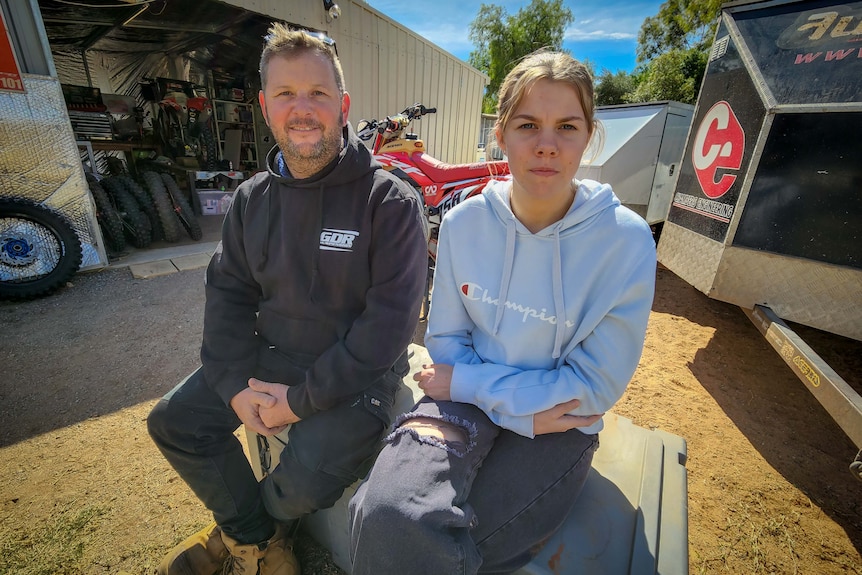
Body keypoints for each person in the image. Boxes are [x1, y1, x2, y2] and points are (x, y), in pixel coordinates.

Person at [348, 49, 657, 574]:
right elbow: (445, 339)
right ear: (501, 133)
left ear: (589, 136)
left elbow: (594, 388)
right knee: (383, 510)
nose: (546, 145)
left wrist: (475, 387)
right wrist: (509, 401)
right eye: (527, 124)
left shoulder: (624, 241)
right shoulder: (466, 224)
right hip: (478, 401)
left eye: (567, 127)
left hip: (559, 422)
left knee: (464, 542)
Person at [147, 24, 428, 575]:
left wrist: (299, 401)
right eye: (285, 94)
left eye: (318, 94)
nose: (302, 109)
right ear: (264, 107)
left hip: (355, 377)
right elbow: (227, 294)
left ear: (343, 105)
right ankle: (257, 541)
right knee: (174, 423)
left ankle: (245, 532)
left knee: (308, 475)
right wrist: (232, 387)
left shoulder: (389, 202)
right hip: (270, 353)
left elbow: (387, 330)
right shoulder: (251, 200)